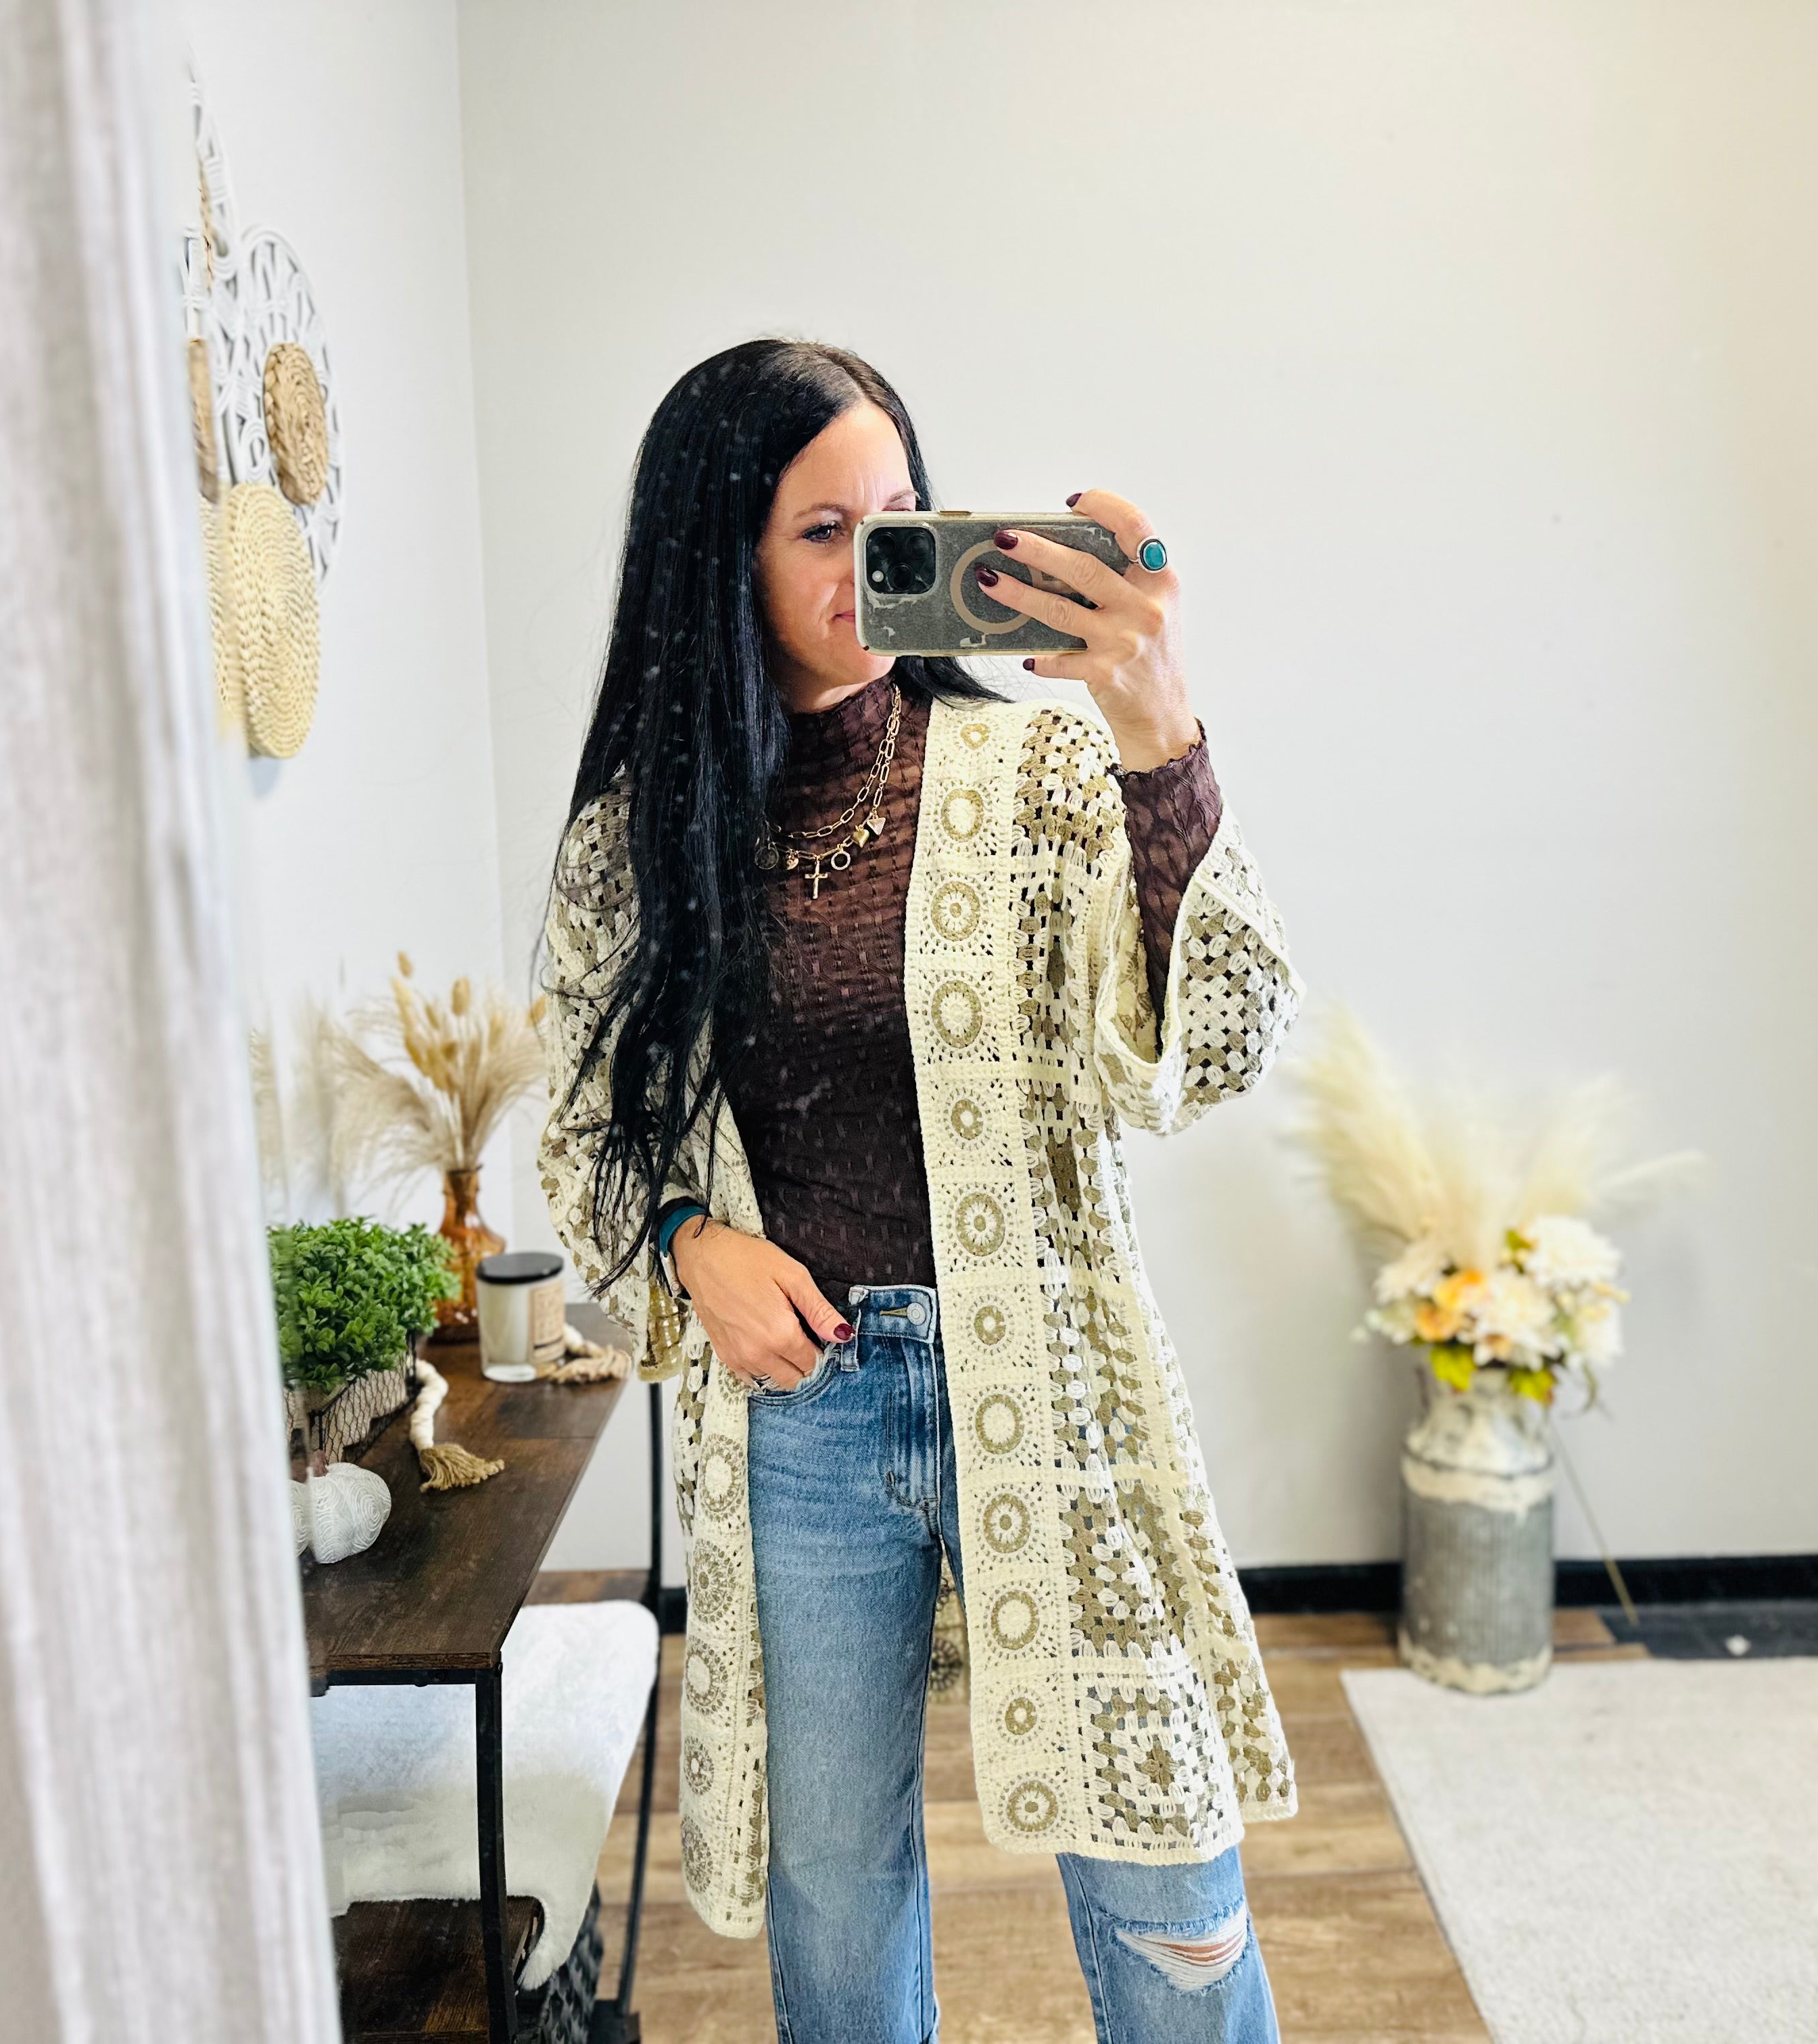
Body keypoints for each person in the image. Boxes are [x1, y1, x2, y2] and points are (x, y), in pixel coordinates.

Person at [537, 338, 1300, 2044]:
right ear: (719, 558)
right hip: (799, 1413)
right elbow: (589, 1133)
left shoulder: (1041, 778)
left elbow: (1209, 1050)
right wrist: (688, 1242)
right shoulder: (639, 842)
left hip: (1050, 1382)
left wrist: (1159, 732)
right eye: (824, 531)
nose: (875, 561)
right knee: (834, 1893)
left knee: (1167, 1879)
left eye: (898, 517)